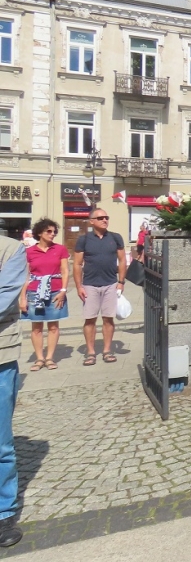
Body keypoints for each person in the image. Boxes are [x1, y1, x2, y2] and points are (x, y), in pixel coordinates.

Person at [73, 208, 126, 366]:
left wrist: (121, 282)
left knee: (108, 319)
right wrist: (79, 286)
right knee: (90, 320)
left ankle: (107, 350)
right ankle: (90, 352)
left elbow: (122, 260)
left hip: (111, 284)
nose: (104, 220)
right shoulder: (84, 239)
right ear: (92, 221)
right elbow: (77, 264)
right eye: (100, 218)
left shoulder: (115, 237)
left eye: (106, 217)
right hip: (90, 285)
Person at [0, 235, 26, 548]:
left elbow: (4, 296)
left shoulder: (10, 249)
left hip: (1, 356)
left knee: (1, 444)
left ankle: (4, 511)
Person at [18, 219, 68, 372]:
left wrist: (63, 291)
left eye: (54, 232)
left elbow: (65, 271)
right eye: (49, 231)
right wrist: (23, 298)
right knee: (36, 327)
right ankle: (39, 358)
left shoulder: (60, 249)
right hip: (34, 292)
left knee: (53, 326)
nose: (52, 234)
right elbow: (25, 275)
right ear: (40, 233)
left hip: (55, 291)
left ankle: (50, 357)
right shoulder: (29, 252)